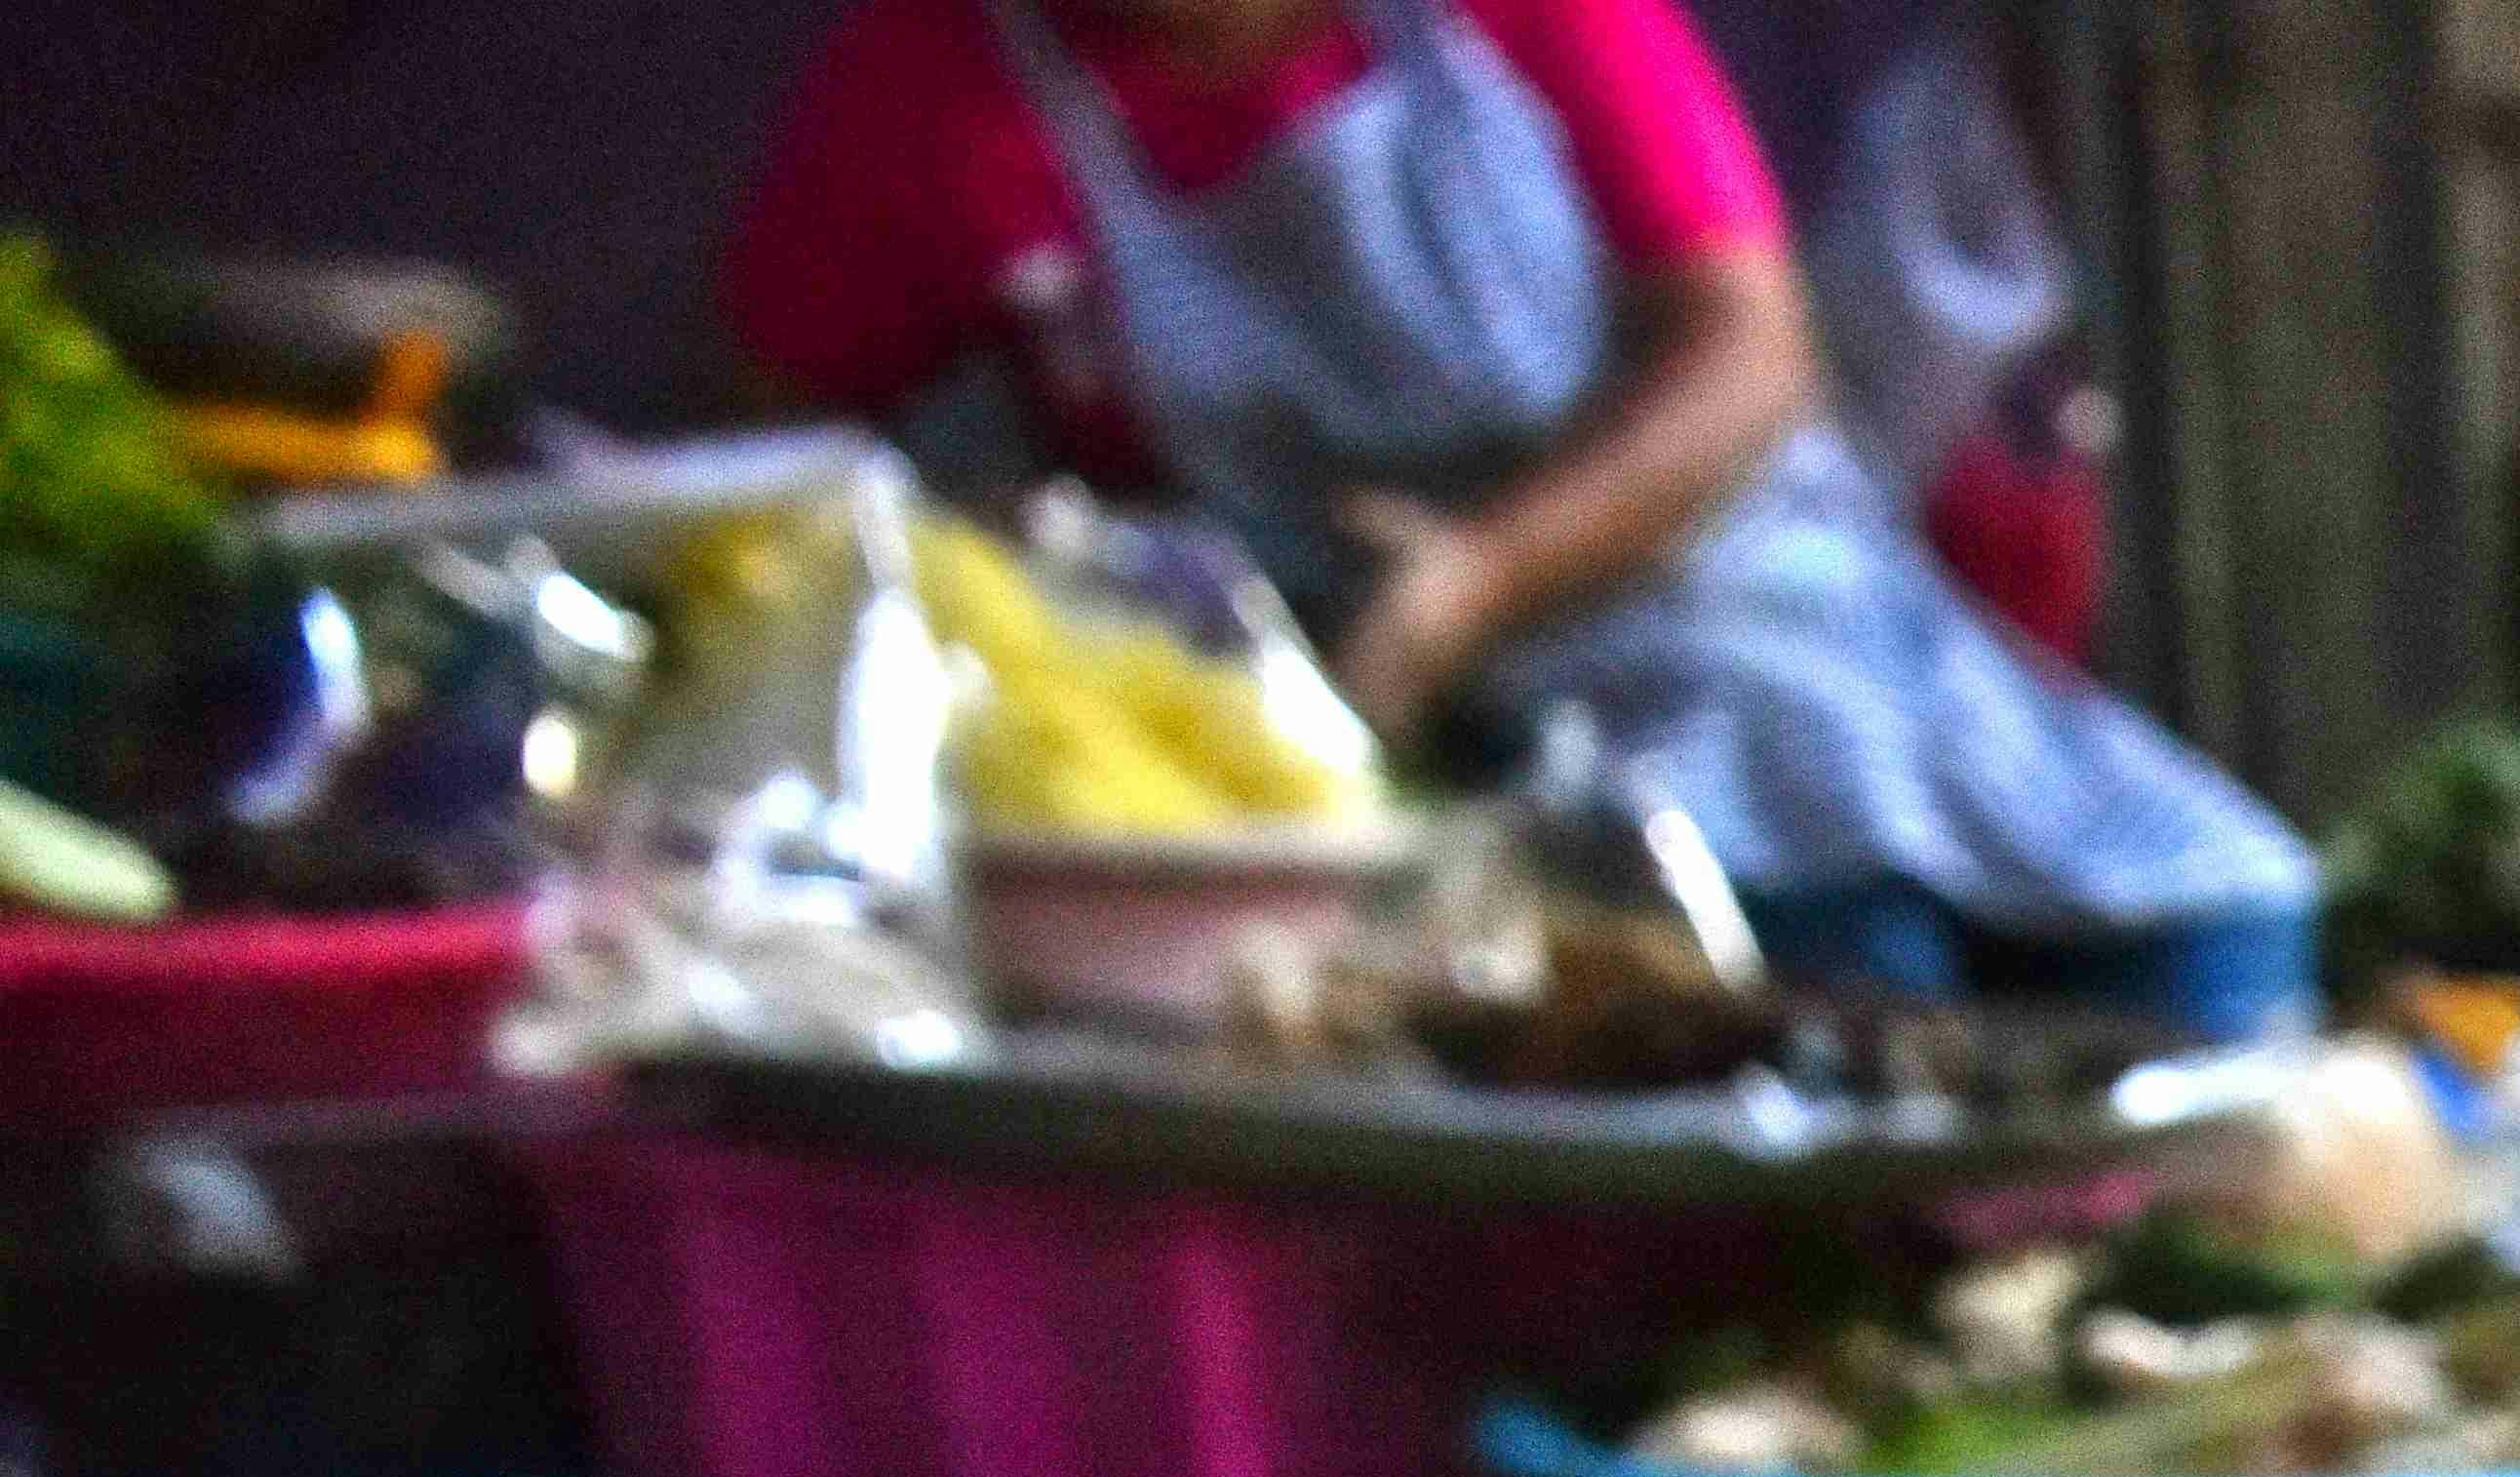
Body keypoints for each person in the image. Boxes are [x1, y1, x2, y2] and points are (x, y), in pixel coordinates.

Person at [719, 0, 2314, 1021]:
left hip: (1758, 627)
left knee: (2221, 952)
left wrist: (1480, 575)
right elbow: (757, 458)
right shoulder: (931, 82)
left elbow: (1750, 356)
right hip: (1398, 738)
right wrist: (1014, 568)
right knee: (1849, 990)